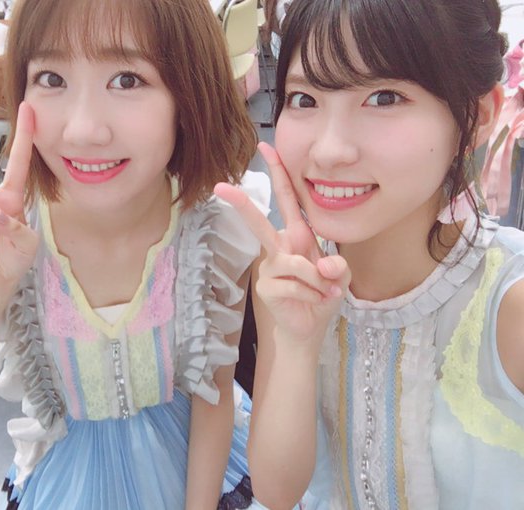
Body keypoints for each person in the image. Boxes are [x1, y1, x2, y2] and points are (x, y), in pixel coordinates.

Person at [0, 0, 270, 508]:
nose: (84, 129)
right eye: (52, 78)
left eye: (127, 80)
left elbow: (212, 395)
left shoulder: (217, 230)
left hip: (199, 475)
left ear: (189, 93)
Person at [216, 0, 524, 508]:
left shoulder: (508, 306)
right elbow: (276, 491)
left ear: (479, 116)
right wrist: (296, 344)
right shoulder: (288, 276)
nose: (329, 150)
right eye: (305, 99)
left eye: (384, 97)